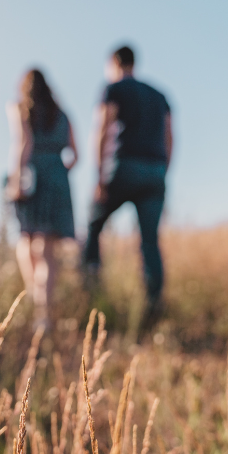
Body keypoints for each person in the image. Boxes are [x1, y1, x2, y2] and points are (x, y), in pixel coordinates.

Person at [82, 45, 173, 336]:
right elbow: (170, 137)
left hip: (124, 167)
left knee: (94, 226)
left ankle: (91, 293)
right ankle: (154, 304)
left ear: (115, 63)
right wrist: (163, 172)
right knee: (149, 240)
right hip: (155, 171)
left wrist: (99, 176)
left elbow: (102, 129)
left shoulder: (113, 88)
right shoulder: (160, 96)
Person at [7, 69, 78, 328]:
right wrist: (58, 174)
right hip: (58, 177)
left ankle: (34, 301)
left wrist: (16, 179)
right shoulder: (63, 114)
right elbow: (75, 154)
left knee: (26, 239)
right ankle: (44, 315)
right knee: (48, 251)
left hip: (32, 176)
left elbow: (22, 142)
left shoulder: (19, 108)